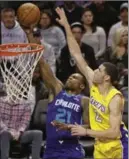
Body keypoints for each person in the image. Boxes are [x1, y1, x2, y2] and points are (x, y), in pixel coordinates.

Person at [53, 8, 128, 159]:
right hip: (100, 144)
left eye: (99, 70)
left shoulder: (115, 98)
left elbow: (114, 132)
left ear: (106, 78)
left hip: (119, 146)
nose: (95, 71)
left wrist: (85, 132)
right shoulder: (93, 83)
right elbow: (76, 53)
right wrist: (66, 26)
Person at [23, 25, 89, 159]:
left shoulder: (84, 100)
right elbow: (42, 63)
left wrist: (69, 127)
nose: (71, 77)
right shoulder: (57, 89)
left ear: (82, 86)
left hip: (72, 148)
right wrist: (30, 35)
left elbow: (90, 127)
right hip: (51, 149)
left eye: (75, 77)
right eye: (70, 76)